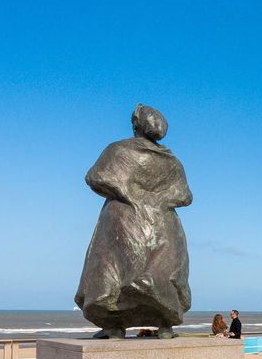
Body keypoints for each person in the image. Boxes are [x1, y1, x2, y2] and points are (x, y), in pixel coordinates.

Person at [75, 104, 192, 339]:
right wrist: (157, 199)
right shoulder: (172, 161)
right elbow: (184, 196)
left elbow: (95, 177)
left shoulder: (118, 150)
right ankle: (164, 325)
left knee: (114, 271)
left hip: (124, 220)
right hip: (162, 223)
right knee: (161, 274)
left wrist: (127, 192)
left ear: (136, 125)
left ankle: (114, 325)